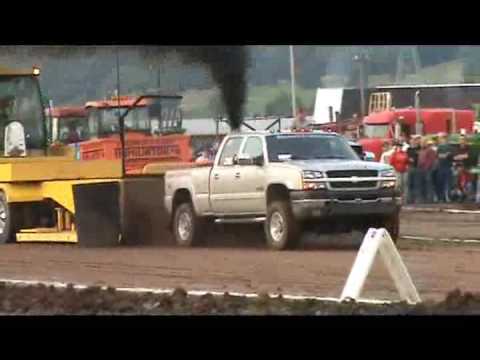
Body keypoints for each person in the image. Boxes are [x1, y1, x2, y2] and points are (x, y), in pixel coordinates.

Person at [417, 138, 437, 203]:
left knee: (429, 184)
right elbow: (420, 160)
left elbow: (431, 160)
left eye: (423, 143)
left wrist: (427, 167)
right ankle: (423, 198)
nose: (422, 144)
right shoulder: (421, 151)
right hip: (421, 169)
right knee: (422, 184)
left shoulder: (430, 150)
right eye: (421, 143)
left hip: (428, 169)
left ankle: (430, 198)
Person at [435, 133, 453, 203]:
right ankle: (441, 198)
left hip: (447, 167)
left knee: (448, 183)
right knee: (440, 183)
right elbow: (439, 156)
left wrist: (444, 155)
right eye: (441, 138)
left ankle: (447, 197)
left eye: (442, 138)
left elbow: (448, 155)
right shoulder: (439, 147)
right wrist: (444, 155)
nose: (441, 139)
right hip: (440, 167)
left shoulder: (449, 147)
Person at [406, 135, 421, 204]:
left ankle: (417, 199)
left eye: (414, 140)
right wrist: (409, 159)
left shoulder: (419, 148)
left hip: (417, 168)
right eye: (412, 140)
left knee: (416, 183)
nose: (413, 141)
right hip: (410, 167)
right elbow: (406, 157)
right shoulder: (408, 149)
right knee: (409, 184)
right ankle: (409, 199)